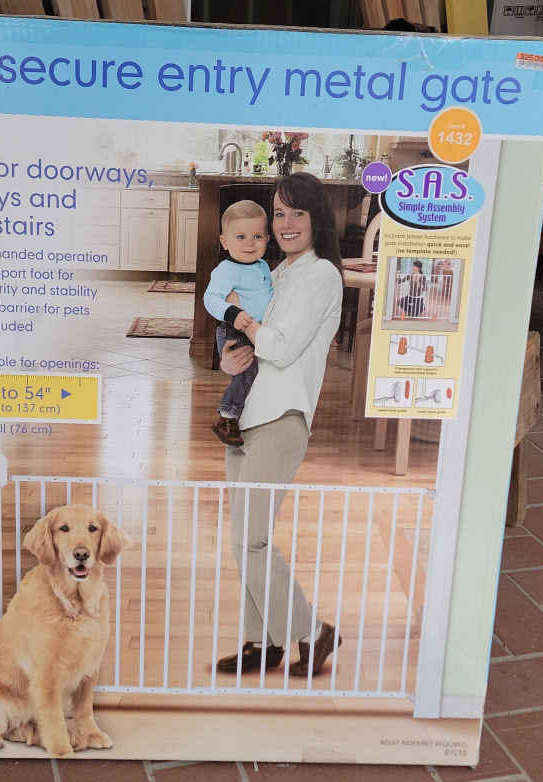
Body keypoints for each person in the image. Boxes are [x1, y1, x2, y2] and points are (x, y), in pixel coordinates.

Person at [214, 173, 343, 678]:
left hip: (282, 417)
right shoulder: (277, 273)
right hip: (248, 417)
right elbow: (251, 350)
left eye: (297, 213)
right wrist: (229, 359)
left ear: (316, 219)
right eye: (280, 214)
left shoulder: (321, 275)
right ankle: (262, 644)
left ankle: (312, 630)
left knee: (252, 540)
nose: (287, 224)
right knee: (244, 539)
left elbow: (283, 347)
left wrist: (242, 320)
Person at [203, 200, 273, 447]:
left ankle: (248, 414)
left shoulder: (263, 266)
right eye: (241, 237)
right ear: (225, 242)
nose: (250, 243)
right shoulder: (226, 270)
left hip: (256, 329)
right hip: (233, 329)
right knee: (247, 370)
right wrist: (233, 312)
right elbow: (210, 298)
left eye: (257, 236)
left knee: (259, 373)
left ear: (267, 239)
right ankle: (227, 416)